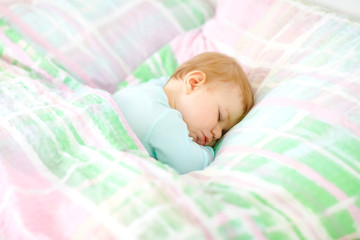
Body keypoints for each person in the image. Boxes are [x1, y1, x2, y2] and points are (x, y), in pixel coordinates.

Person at [113, 52, 254, 174]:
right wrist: (210, 153)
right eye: (219, 116)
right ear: (193, 83)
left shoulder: (150, 90)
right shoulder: (163, 119)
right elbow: (189, 165)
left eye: (223, 132)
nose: (217, 134)